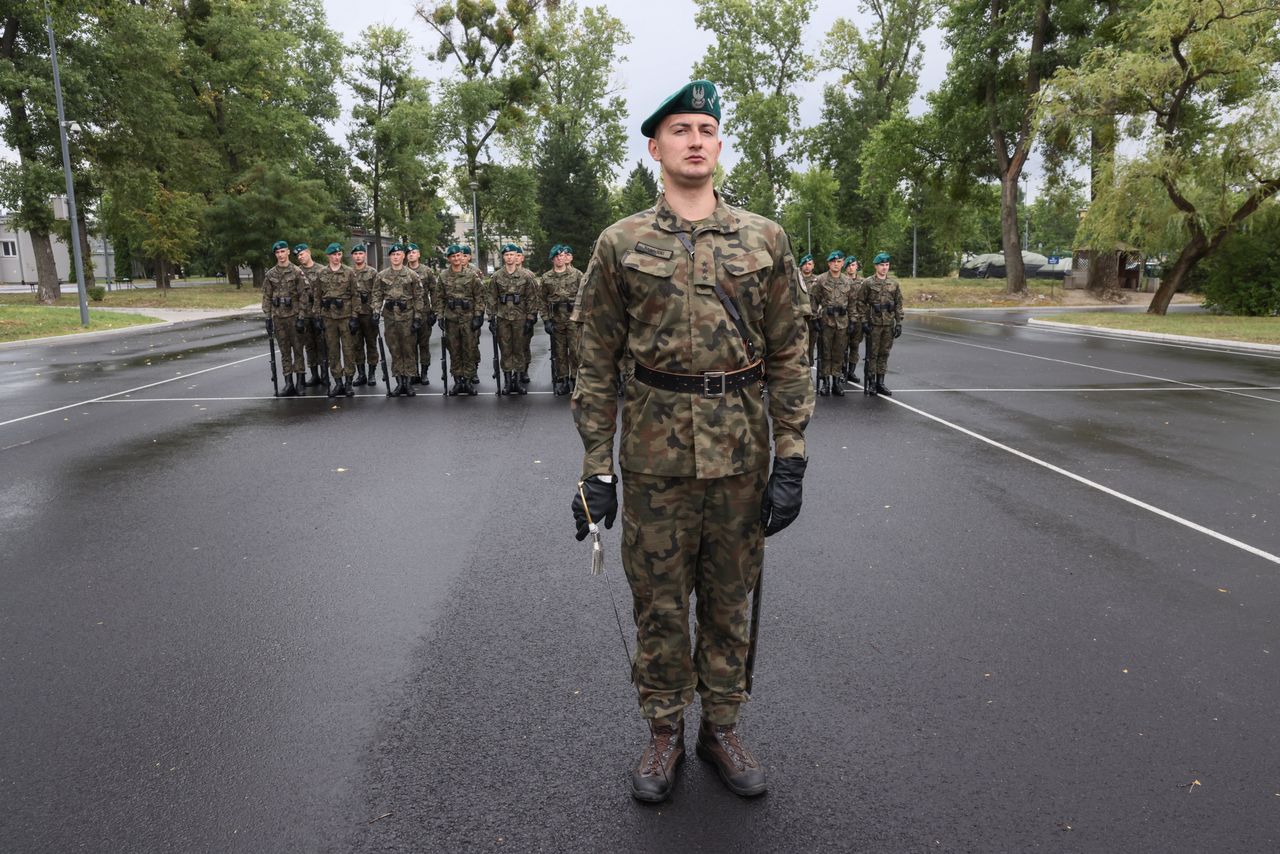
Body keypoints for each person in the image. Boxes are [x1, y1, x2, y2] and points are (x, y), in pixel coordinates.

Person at [570, 80, 813, 803]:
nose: (697, 139)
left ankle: (723, 728)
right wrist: (595, 469)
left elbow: (791, 353)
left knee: (732, 599)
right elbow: (594, 360)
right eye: (681, 129)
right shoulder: (620, 243)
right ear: (656, 147)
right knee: (662, 602)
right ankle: (665, 732)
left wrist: (792, 457)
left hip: (742, 454)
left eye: (707, 127)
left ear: (719, 144)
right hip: (653, 457)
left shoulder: (764, 238)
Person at [431, 244, 486, 395]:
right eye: (453, 256)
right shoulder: (443, 276)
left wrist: (478, 315)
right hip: (451, 319)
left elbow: (479, 297)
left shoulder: (471, 275)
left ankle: (467, 381)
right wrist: (440, 316)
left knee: (468, 350)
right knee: (454, 351)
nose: (456, 258)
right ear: (449, 259)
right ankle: (457, 381)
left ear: (462, 257)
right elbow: (439, 298)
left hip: (468, 318)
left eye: (459, 256)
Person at [373, 243, 425, 397]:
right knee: (394, 350)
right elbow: (376, 295)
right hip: (390, 318)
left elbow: (419, 297)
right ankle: (399, 382)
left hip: (407, 317)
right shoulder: (381, 275)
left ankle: (408, 382)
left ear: (403, 256)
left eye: (398, 254)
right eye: (393, 255)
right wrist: (376, 311)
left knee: (408, 350)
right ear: (390, 257)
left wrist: (418, 317)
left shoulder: (412, 275)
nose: (395, 257)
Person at [488, 243, 540, 395]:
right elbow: (491, 298)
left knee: (519, 349)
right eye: (506, 255)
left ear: (516, 256)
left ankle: (517, 381)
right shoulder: (497, 276)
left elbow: (531, 298)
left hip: (520, 318)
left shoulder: (526, 276)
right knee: (505, 350)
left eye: (512, 254)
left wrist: (531, 317)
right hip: (503, 318)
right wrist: (490, 317)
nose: (509, 257)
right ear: (503, 257)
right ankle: (507, 381)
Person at [855, 251, 904, 396]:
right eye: (882, 265)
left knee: (884, 353)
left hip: (888, 324)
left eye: (887, 265)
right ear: (876, 266)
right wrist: (864, 321)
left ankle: (880, 382)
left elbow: (898, 304)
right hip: (873, 324)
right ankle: (871, 383)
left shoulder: (894, 284)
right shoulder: (868, 283)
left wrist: (899, 322)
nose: (884, 267)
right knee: (872, 354)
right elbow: (860, 302)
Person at [261, 240, 307, 396]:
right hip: (278, 318)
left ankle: (300, 382)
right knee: (284, 351)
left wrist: (301, 317)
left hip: (294, 317)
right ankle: (288, 383)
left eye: (283, 251)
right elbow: (266, 296)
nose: (280, 255)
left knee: (298, 350)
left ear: (288, 252)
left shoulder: (296, 272)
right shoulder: (270, 274)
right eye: (277, 252)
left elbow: (303, 296)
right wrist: (267, 317)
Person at [313, 243, 359, 397]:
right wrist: (317, 316)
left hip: (345, 317)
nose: (337, 257)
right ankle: (338, 381)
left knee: (348, 350)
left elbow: (355, 296)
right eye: (334, 255)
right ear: (328, 256)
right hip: (328, 318)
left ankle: (348, 382)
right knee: (332, 351)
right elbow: (317, 296)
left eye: (339, 254)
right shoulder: (321, 273)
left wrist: (354, 317)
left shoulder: (349, 272)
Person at [811, 250, 855, 396]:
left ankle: (836, 382)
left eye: (839, 261)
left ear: (843, 263)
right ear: (829, 263)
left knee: (839, 353)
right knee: (825, 352)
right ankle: (826, 383)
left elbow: (852, 304)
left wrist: (853, 321)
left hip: (842, 323)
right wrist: (815, 319)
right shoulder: (821, 280)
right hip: (826, 322)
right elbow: (813, 302)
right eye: (833, 262)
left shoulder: (848, 281)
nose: (836, 264)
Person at [541, 244, 582, 396]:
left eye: (562, 256)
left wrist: (582, 318)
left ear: (566, 257)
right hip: (556, 320)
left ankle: (576, 379)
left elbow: (584, 297)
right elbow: (542, 300)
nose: (560, 259)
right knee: (559, 352)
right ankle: (563, 380)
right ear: (552, 259)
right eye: (556, 257)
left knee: (575, 351)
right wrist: (546, 320)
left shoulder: (577, 275)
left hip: (573, 319)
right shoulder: (546, 278)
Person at [294, 243, 326, 390]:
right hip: (304, 313)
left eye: (302, 254)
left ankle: (325, 374)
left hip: (319, 313)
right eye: (298, 255)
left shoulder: (321, 269)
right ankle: (314, 375)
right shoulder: (297, 272)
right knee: (309, 345)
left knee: (322, 344)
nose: (300, 257)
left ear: (309, 253)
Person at [349, 244, 380, 387]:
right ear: (352, 256)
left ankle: (372, 374)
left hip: (368, 313)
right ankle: (361, 374)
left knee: (371, 344)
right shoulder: (348, 272)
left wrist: (376, 312)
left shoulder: (373, 272)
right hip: (354, 314)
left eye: (360, 253)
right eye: (355, 254)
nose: (358, 256)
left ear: (365, 255)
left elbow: (377, 293)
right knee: (356, 345)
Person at [405, 243, 435, 385]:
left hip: (423, 313)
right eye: (409, 253)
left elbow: (434, 292)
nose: (411, 254)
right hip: (407, 314)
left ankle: (424, 373)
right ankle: (413, 372)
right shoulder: (402, 271)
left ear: (419, 254)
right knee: (409, 345)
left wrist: (434, 312)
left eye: (414, 252)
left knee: (423, 344)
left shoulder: (427, 271)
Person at [842, 255, 863, 385]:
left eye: (853, 265)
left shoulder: (863, 282)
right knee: (843, 346)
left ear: (857, 266)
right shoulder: (842, 280)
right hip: (844, 318)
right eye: (849, 265)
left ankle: (851, 372)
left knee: (855, 346)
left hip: (859, 318)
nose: (851, 267)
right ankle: (842, 371)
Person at [797, 253, 817, 369]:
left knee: (810, 345)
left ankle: (808, 371)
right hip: (799, 319)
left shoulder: (818, 281)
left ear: (813, 266)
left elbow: (821, 300)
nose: (807, 266)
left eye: (809, 264)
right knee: (798, 347)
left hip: (813, 319)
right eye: (805, 264)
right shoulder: (796, 280)